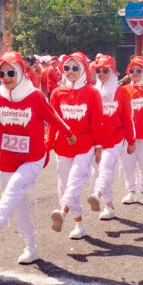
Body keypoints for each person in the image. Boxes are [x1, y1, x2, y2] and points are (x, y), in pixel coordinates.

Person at [0, 52, 75, 263]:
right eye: (1, 72)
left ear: (21, 72)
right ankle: (30, 246)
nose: (5, 76)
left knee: (12, 191)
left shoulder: (35, 96)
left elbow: (52, 117)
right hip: (6, 160)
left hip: (33, 158)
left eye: (10, 72)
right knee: (17, 205)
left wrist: (68, 133)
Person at [47, 52, 103, 239]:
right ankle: (78, 222)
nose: (70, 72)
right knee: (64, 184)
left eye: (75, 68)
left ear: (83, 70)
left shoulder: (92, 92)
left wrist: (98, 146)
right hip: (62, 146)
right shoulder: (57, 92)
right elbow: (53, 120)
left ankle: (62, 210)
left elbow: (96, 121)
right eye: (67, 68)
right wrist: (49, 142)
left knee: (75, 179)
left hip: (85, 145)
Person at [87, 55, 135, 220]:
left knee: (106, 168)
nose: (101, 73)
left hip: (115, 137)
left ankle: (97, 194)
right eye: (98, 70)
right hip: (96, 140)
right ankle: (109, 206)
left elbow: (127, 119)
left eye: (105, 70)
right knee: (97, 172)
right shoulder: (93, 91)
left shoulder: (121, 92)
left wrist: (131, 141)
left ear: (112, 71)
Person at [121, 56, 143, 204]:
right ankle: (131, 190)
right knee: (128, 164)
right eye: (132, 70)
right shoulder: (123, 89)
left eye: (138, 70)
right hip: (126, 136)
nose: (135, 73)